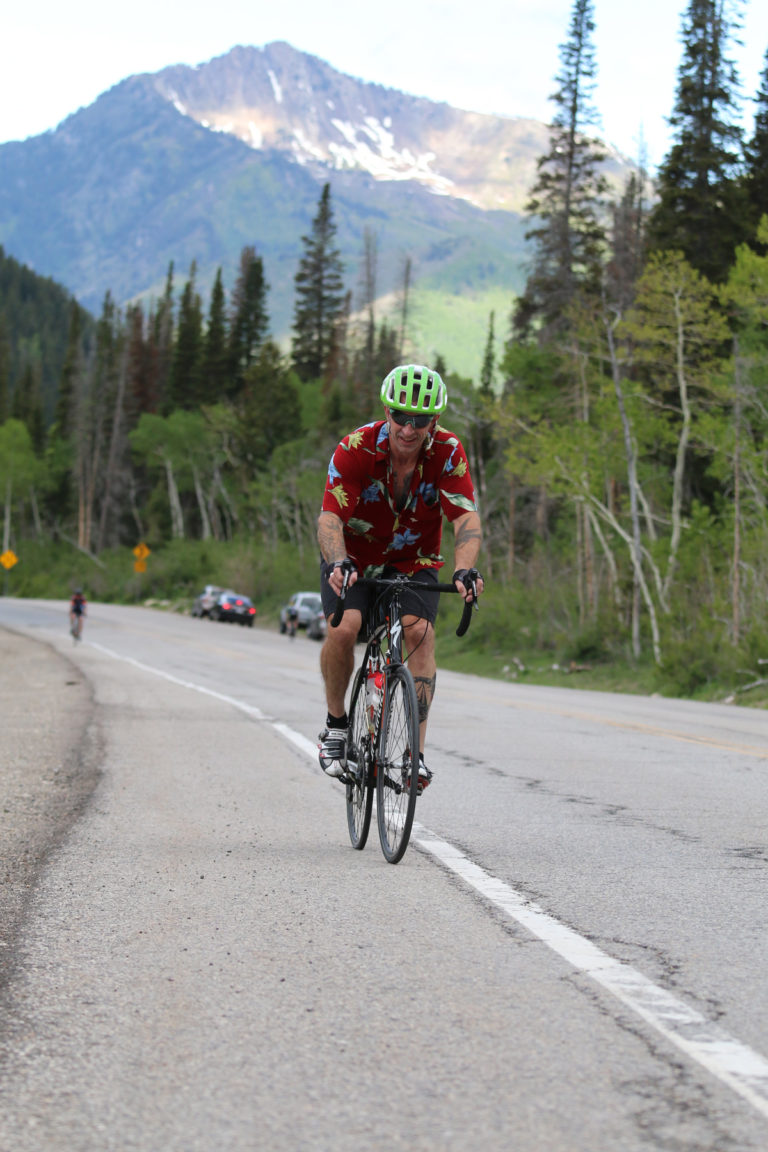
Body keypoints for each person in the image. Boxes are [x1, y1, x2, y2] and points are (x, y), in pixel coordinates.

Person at [317, 363, 484, 786]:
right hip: (353, 556)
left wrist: (465, 570)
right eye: (400, 417)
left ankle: (414, 756)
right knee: (343, 628)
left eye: (421, 420)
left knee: (420, 633)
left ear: (435, 421)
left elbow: (465, 520)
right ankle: (337, 726)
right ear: (386, 412)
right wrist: (338, 561)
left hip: (415, 560)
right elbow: (329, 518)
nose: (409, 429)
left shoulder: (448, 451)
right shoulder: (354, 447)